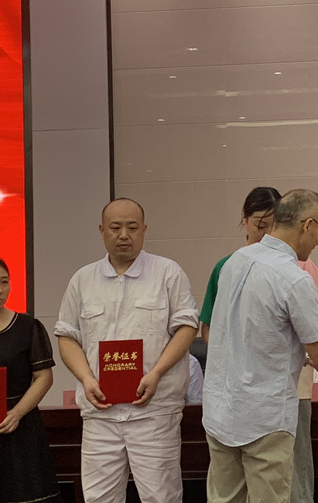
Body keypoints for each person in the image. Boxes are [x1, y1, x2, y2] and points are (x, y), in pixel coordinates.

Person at [202, 189, 318, 503]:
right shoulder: (294, 278)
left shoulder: (234, 262)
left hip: (220, 410)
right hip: (264, 418)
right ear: (308, 226)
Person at [54, 198, 199, 503]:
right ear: (101, 231)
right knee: (100, 498)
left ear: (144, 230)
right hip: (100, 413)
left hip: (154, 412)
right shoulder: (82, 280)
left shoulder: (168, 272)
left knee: (161, 497)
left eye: (132, 227)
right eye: (115, 227)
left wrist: (157, 373)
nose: (124, 235)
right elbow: (67, 337)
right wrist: (86, 379)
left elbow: (187, 327)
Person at [0, 258, 63, 503]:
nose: (0, 289)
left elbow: (43, 377)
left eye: (4, 282)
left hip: (20, 425)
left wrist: (16, 413)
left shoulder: (27, 326)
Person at [199, 186, 281, 343]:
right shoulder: (226, 267)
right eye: (260, 226)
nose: (268, 235)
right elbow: (208, 327)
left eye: (275, 227)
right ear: (244, 217)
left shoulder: (297, 265)